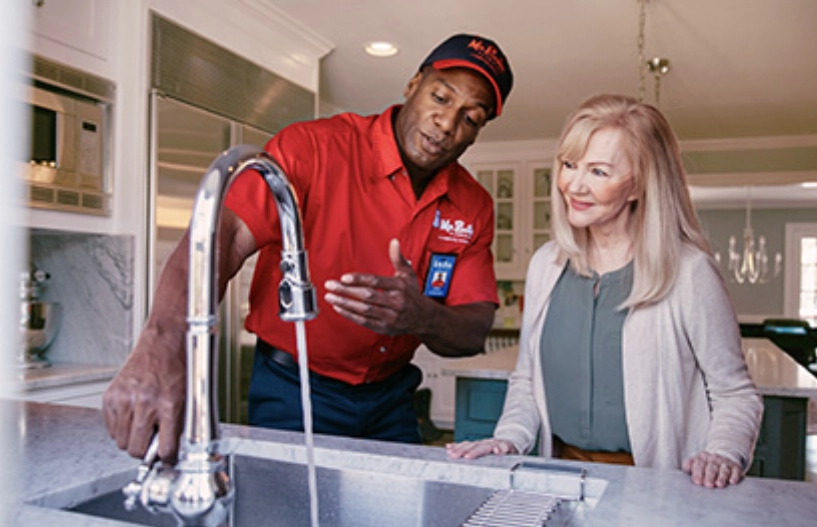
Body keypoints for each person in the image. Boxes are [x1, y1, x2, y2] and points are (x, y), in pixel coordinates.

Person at [103, 33, 513, 463]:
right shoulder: (312, 149)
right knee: (287, 519)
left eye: (471, 117)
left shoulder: (473, 205)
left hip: (392, 398)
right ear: (413, 85)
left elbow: (474, 329)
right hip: (295, 389)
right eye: (441, 98)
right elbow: (218, 241)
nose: (447, 124)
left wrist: (421, 315)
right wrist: (161, 344)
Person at [447, 94, 763, 489]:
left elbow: (734, 392)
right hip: (561, 473)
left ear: (639, 185)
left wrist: (723, 453)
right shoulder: (547, 265)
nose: (574, 185)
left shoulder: (689, 272)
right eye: (568, 165)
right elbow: (528, 380)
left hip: (660, 482)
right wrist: (509, 438)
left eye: (598, 171)